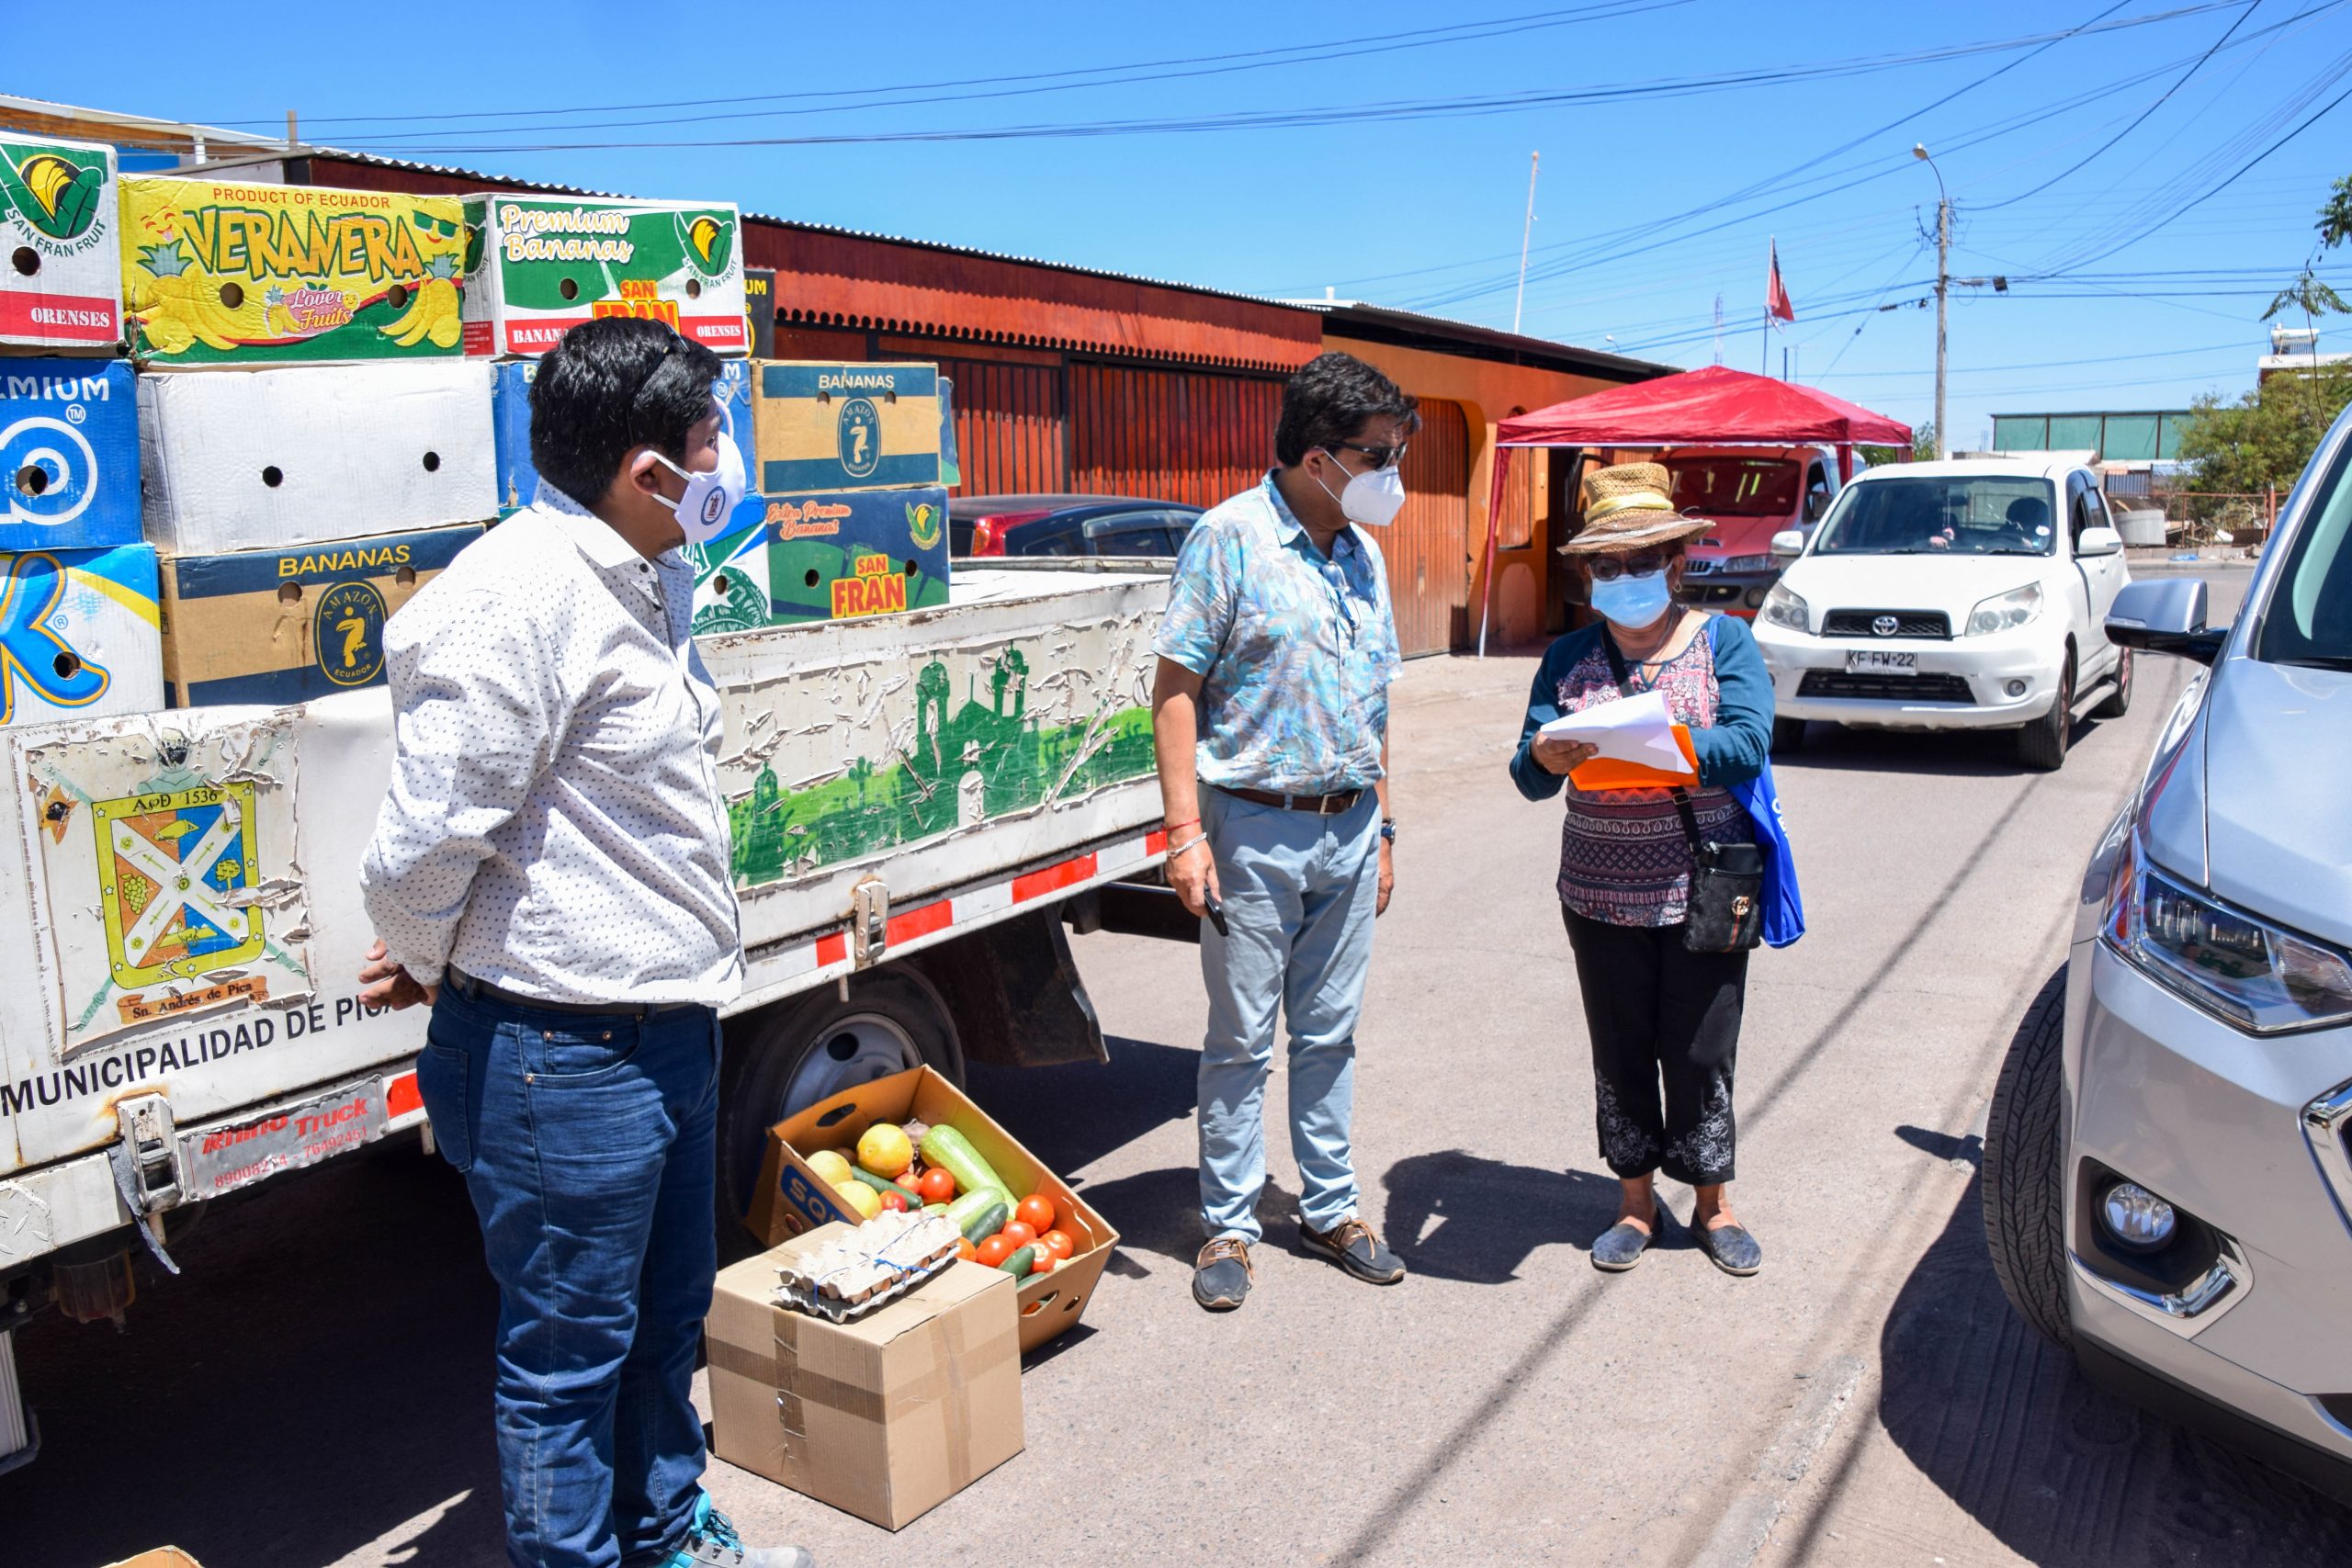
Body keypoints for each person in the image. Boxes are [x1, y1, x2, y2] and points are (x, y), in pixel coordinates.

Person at [356, 317, 811, 1568]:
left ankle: (667, 1534)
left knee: (668, 1323)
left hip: (665, 1022)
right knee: (569, 1360)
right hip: (563, 1050)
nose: (728, 454)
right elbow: (426, 838)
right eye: (712, 433)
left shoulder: (645, 568)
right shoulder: (517, 600)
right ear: (645, 467)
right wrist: (432, 944)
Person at [1151, 351, 1415, 1313]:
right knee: (1240, 1040)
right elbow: (1174, 691)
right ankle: (1228, 1223)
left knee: (1331, 1034)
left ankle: (1331, 1207)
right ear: (1319, 456)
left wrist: (1387, 827)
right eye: (1379, 454)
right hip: (1251, 831)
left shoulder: (1360, 551)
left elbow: (1376, 695)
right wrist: (1186, 833)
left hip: (1348, 826)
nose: (1394, 473)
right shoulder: (1229, 541)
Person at [1508, 462, 1774, 1278]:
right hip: (1597, 892)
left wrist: (1659, 749)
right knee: (1621, 1047)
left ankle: (1714, 1203)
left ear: (1678, 561)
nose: (1624, 578)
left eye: (1642, 560)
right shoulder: (1568, 656)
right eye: (1606, 565)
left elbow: (1751, 741)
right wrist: (1548, 750)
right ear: (1588, 574)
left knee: (1700, 1050)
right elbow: (1526, 773)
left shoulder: (1723, 638)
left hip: (1703, 886)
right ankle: (1633, 1203)